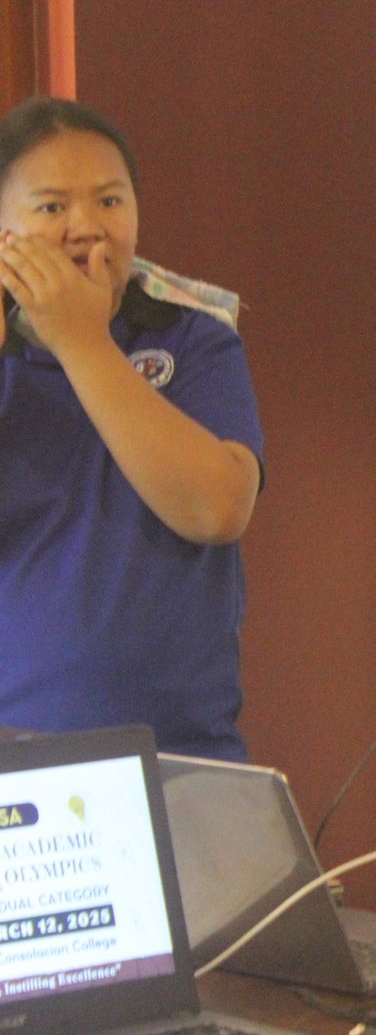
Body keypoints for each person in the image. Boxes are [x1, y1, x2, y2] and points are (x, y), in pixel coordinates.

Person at [0, 98, 264, 762]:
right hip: (18, 763)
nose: (86, 227)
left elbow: (217, 508)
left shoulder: (191, 337)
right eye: (52, 207)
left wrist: (82, 341)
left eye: (110, 201)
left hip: (181, 754)